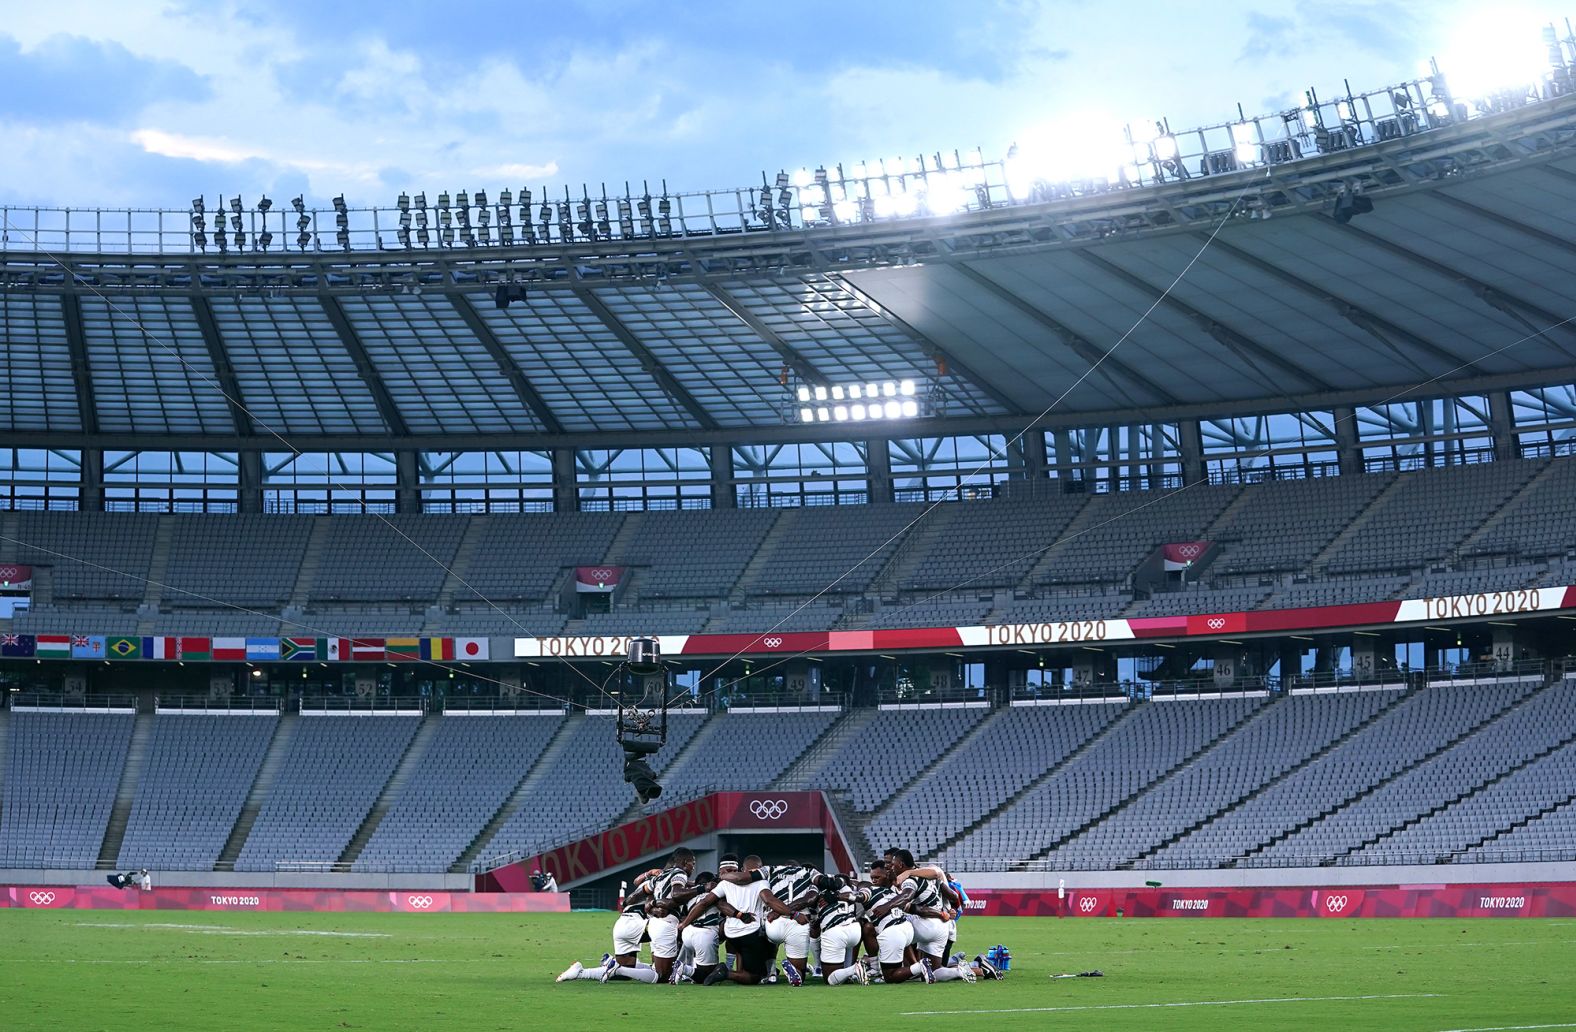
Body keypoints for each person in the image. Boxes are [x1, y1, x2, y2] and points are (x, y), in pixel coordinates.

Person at [678, 854, 799, 986]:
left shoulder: (725, 883)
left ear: (742, 869)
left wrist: (685, 923)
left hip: (731, 934)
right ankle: (727, 972)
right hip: (750, 933)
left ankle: (746, 970)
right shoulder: (762, 882)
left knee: (744, 953)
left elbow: (704, 903)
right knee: (754, 976)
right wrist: (793, 914)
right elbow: (769, 900)